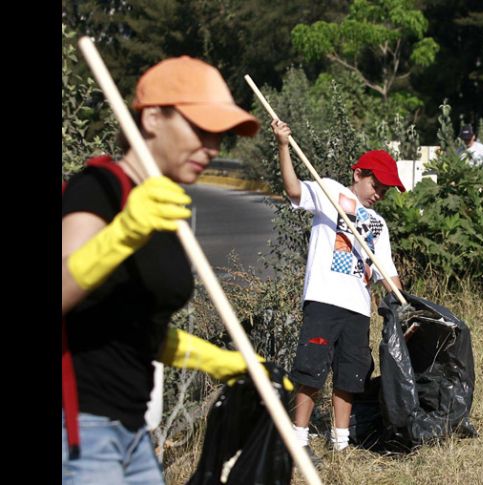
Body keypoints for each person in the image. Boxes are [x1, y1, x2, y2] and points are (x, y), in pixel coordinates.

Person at [62, 56, 265, 484]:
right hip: (78, 429)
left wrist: (220, 361)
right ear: (153, 118)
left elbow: (133, 328)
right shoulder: (100, 190)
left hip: (133, 431)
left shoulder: (163, 207)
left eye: (219, 136)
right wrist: (125, 232)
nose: (212, 148)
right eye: (201, 130)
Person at [271, 119, 404, 459]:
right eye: (377, 184)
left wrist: (403, 308)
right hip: (324, 299)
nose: (380, 193)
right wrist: (284, 146)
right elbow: (293, 190)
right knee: (312, 369)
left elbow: (387, 273)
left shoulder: (379, 224)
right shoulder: (329, 189)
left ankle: (340, 443)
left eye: (386, 190)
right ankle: (298, 438)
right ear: (358, 173)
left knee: (350, 375)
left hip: (358, 308)